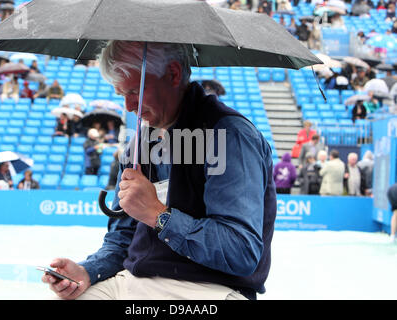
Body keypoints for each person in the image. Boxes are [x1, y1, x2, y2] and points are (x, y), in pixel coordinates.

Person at [41, 40, 276, 300]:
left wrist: (158, 215)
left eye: (134, 91)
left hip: (209, 289)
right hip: (130, 281)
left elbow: (241, 251)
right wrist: (89, 271)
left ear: (173, 74)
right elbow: (121, 239)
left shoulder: (231, 136)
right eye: (121, 95)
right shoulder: (138, 144)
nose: (129, 106)